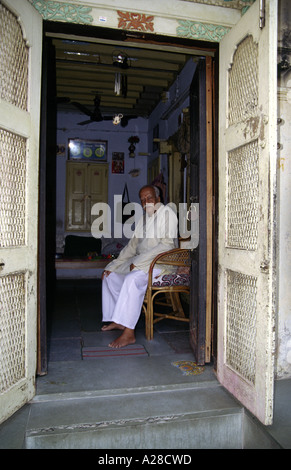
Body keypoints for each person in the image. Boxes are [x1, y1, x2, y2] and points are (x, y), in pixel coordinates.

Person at [101, 185, 178, 348]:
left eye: (149, 198)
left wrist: (139, 262)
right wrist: (113, 265)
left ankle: (129, 333)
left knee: (132, 279)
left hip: (163, 263)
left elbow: (167, 245)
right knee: (110, 275)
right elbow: (131, 246)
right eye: (142, 200)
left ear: (158, 199)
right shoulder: (144, 219)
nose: (145, 202)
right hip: (142, 261)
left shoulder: (167, 214)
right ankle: (119, 320)